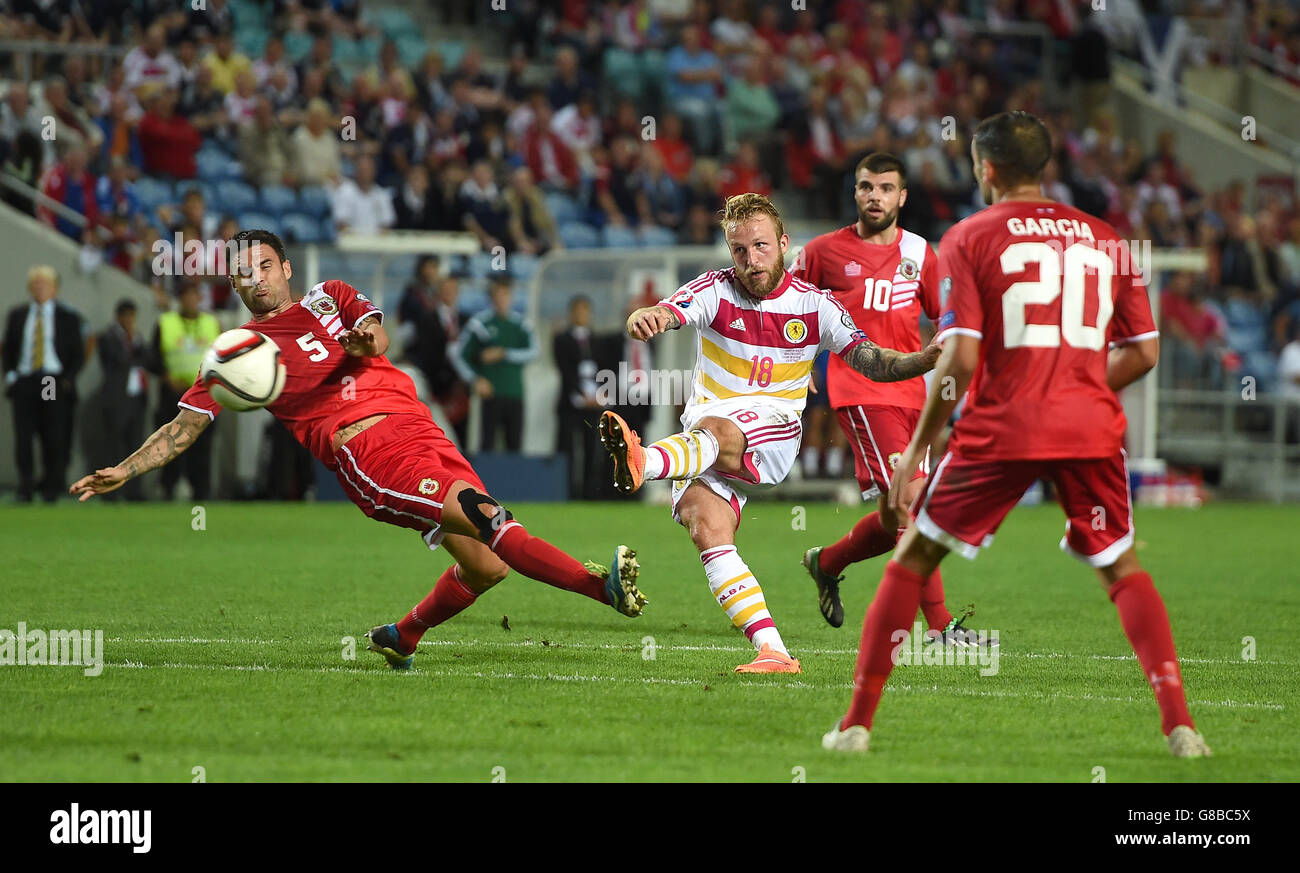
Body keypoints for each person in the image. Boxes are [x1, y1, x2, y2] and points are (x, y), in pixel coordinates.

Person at [70, 230, 646, 672]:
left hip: (419, 427)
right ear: (235, 286)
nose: (257, 279)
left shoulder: (331, 296)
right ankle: (601, 588)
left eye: (265, 266)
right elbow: (184, 426)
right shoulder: (237, 354)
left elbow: (379, 337)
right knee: (487, 515)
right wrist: (127, 467)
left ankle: (404, 636)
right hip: (368, 451)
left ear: (286, 268)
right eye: (244, 274)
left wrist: (359, 340)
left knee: (488, 564)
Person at [822, 111, 1210, 758]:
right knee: (1121, 565)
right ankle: (1181, 728)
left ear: (988, 168)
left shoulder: (967, 237)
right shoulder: (1109, 238)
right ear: (1044, 167)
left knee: (914, 556)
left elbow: (963, 359)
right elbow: (1143, 353)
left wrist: (917, 449)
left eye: (976, 165)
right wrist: (1077, 383)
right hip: (1088, 424)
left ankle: (856, 725)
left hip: (1003, 424)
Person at [599, 193, 939, 673]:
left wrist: (921, 361)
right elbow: (667, 312)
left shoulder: (816, 305)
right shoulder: (713, 290)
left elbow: (869, 359)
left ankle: (644, 463)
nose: (750, 260)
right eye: (739, 250)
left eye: (760, 247)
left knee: (716, 426)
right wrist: (646, 318)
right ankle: (774, 651)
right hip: (702, 446)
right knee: (707, 530)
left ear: (783, 244)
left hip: (772, 433)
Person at [793, 152, 981, 644]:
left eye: (883, 188)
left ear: (902, 196)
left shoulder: (921, 253)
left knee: (893, 510)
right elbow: (789, 310)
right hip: (859, 391)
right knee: (913, 501)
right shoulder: (822, 252)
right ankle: (940, 629)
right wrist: (798, 366)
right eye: (864, 187)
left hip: (913, 395)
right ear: (855, 193)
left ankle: (826, 561)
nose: (873, 196)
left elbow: (945, 316)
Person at [3, 266, 86, 502]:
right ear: (30, 288)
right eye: (36, 284)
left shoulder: (67, 317)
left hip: (51, 380)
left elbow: (77, 352)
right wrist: (10, 375)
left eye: (45, 284)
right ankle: (25, 486)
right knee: (24, 434)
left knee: (52, 432)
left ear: (55, 289)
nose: (40, 288)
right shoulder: (18, 315)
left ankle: (52, 485)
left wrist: (68, 379)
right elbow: (8, 348)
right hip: (25, 380)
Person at [147, 280, 220, 501]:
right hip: (173, 394)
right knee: (170, 442)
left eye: (194, 295)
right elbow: (151, 357)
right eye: (186, 295)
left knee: (202, 446)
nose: (190, 299)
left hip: (204, 396)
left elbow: (222, 356)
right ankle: (168, 489)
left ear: (200, 298)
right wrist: (165, 375)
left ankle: (201, 492)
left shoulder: (211, 323)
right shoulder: (165, 322)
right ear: (180, 299)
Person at [453, 275, 538, 452]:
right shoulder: (480, 324)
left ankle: (515, 480)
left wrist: (505, 354)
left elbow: (534, 351)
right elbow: (460, 355)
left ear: (511, 296)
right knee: (487, 445)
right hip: (490, 393)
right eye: (497, 294)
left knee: (515, 445)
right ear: (491, 297)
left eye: (505, 294)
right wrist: (475, 379)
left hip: (515, 392)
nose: (501, 299)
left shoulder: (521, 324)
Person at [90, 299, 149, 501]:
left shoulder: (136, 337)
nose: (129, 320)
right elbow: (120, 359)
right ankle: (110, 491)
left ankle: (134, 492)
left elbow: (147, 359)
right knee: (114, 445)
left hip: (136, 398)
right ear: (119, 316)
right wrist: (134, 343)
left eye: (132, 316)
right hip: (116, 398)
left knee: (136, 446)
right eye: (126, 316)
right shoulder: (108, 337)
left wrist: (135, 343)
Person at [554, 294, 605, 499]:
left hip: (594, 405)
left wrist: (601, 394)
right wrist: (580, 394)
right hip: (570, 404)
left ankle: (588, 494)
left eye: (585, 310)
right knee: (568, 450)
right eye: (578, 310)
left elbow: (604, 369)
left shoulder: (597, 340)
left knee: (592, 450)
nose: (581, 314)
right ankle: (565, 492)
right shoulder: (561, 339)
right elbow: (565, 370)